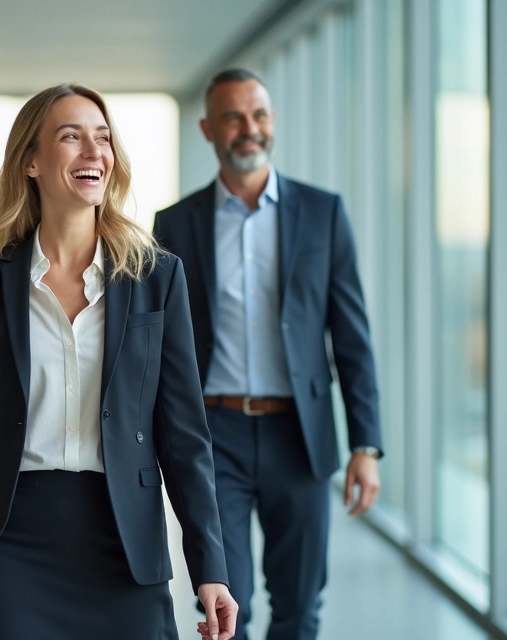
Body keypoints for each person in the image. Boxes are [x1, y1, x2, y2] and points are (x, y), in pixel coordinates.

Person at [0, 83, 239, 640]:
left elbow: (185, 437)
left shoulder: (157, 278)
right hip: (6, 543)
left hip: (123, 540)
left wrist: (210, 569)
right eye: (71, 137)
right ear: (30, 161)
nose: (93, 152)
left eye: (103, 138)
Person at [152, 68, 383, 640]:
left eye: (258, 115)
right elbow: (158, 346)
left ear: (272, 121)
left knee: (300, 605)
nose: (248, 128)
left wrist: (366, 444)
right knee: (227, 606)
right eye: (233, 117)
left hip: (298, 436)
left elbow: (350, 333)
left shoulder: (322, 213)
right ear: (208, 128)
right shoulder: (174, 224)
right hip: (214, 435)